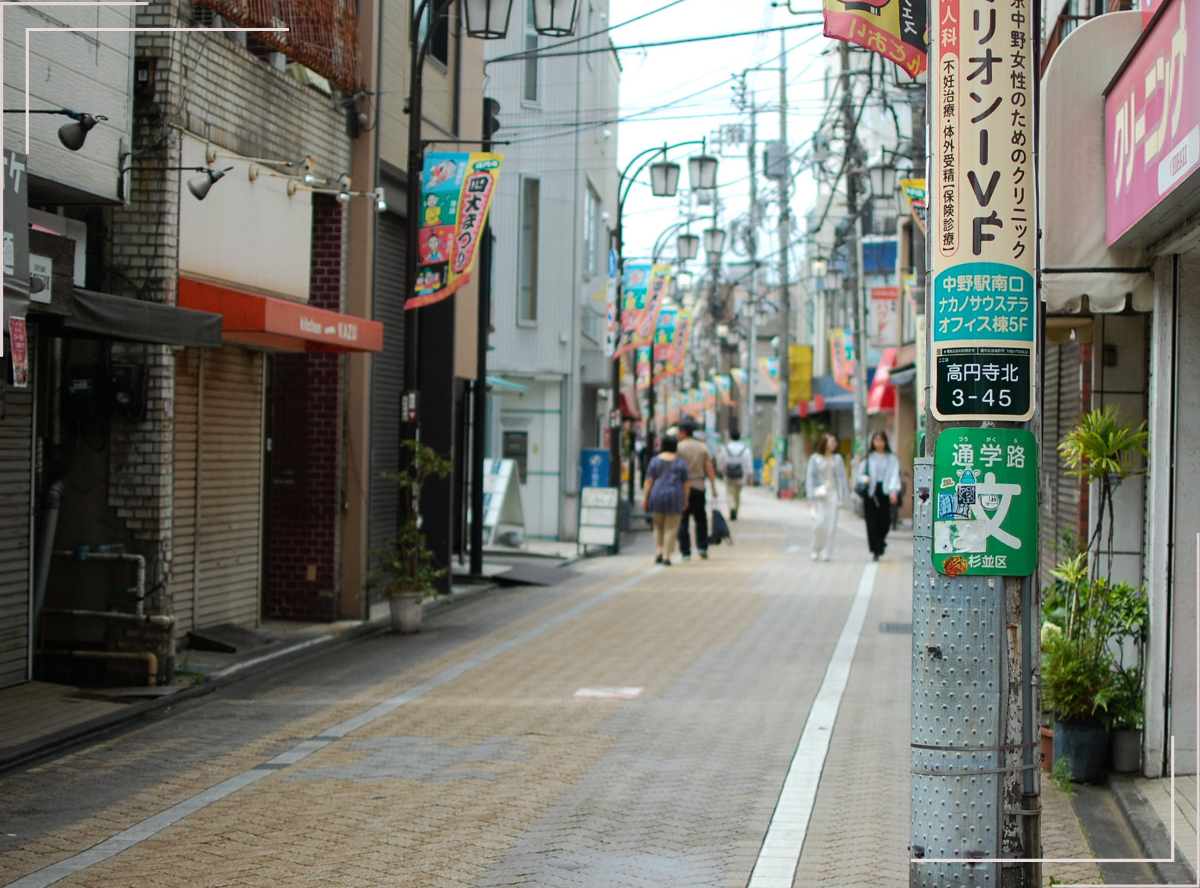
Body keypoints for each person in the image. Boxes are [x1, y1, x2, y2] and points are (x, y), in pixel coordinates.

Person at [642, 435, 689, 565]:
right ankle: (666, 556)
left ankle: (659, 551)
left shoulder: (655, 461)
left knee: (657, 526)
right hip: (675, 495)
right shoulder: (680, 463)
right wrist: (686, 499)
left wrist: (645, 498)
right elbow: (686, 483)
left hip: (656, 495)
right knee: (671, 527)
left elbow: (648, 481)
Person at [676, 417, 719, 560]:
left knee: (683, 520)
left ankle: (685, 551)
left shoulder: (679, 447)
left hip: (682, 488)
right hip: (699, 486)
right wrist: (714, 487)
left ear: (683, 432)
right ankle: (702, 547)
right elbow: (709, 468)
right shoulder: (702, 447)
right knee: (701, 518)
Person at [856, 430, 903, 561]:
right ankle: (875, 550)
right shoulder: (868, 458)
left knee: (885, 522)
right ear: (873, 442)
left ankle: (880, 542)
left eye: (881, 440)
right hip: (871, 492)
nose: (879, 443)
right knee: (871, 522)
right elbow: (859, 475)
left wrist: (894, 491)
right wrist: (866, 479)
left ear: (885, 442)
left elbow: (895, 475)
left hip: (885, 491)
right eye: (876, 440)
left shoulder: (891, 458)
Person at [806, 433, 849, 561]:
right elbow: (810, 477)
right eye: (831, 442)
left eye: (835, 442)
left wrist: (845, 497)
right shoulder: (815, 458)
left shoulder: (837, 459)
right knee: (819, 523)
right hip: (819, 494)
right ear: (824, 443)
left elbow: (842, 478)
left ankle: (827, 551)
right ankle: (815, 547)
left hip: (833, 493)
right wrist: (810, 497)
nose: (834, 444)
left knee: (831, 525)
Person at [717, 432, 754, 520]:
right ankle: (736, 510)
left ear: (730, 437)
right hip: (741, 476)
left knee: (730, 493)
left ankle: (732, 507)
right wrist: (750, 476)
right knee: (737, 494)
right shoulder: (745, 449)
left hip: (728, 475)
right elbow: (749, 463)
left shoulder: (725, 448)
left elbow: (720, 460)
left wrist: (720, 469)